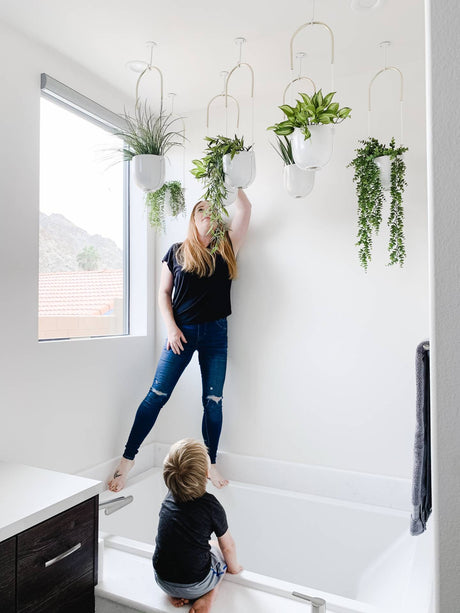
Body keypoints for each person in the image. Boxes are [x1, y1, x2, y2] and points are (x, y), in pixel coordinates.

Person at [108, 189, 251, 492]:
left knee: (213, 402)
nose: (208, 214)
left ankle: (211, 463)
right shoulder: (176, 251)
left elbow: (245, 209)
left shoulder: (226, 248)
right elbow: (163, 294)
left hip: (215, 335)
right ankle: (127, 461)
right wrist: (171, 329)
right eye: (202, 210)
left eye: (213, 211)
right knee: (156, 396)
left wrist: (229, 181)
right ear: (192, 218)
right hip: (180, 333)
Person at [153, 439, 242, 612]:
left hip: (162, 580)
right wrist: (234, 569)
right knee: (217, 550)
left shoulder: (168, 498)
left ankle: (173, 593)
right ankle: (208, 596)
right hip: (196, 584)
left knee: (179, 548)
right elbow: (228, 547)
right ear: (207, 474)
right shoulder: (210, 505)